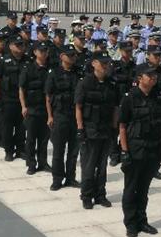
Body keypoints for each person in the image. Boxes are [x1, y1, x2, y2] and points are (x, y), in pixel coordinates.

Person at [118, 64, 161, 237]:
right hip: (135, 149)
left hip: (153, 149)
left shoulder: (159, 97)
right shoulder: (129, 98)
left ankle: (142, 220)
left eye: (154, 75)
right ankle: (131, 223)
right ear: (140, 78)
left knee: (143, 189)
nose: (153, 78)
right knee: (131, 188)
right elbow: (122, 126)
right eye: (149, 75)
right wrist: (124, 151)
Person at [75, 54, 120, 210]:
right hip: (90, 129)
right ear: (94, 64)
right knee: (89, 166)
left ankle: (100, 194)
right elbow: (78, 107)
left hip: (106, 129)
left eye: (108, 63)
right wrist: (80, 128)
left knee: (102, 166)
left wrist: (114, 127)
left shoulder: (111, 83)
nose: (106, 66)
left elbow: (115, 108)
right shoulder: (85, 83)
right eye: (103, 63)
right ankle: (86, 195)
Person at [46, 45, 82, 190]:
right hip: (60, 115)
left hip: (75, 116)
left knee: (73, 151)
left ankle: (70, 178)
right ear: (62, 57)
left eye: (74, 55)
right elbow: (48, 96)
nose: (73, 57)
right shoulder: (54, 73)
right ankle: (57, 179)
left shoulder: (79, 72)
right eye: (70, 55)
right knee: (58, 150)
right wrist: (50, 116)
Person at [19, 42, 52, 175]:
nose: (44, 53)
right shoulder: (28, 68)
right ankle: (31, 164)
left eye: (46, 51)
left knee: (44, 139)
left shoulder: (51, 69)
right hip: (32, 108)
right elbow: (21, 88)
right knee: (31, 138)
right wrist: (23, 106)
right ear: (35, 52)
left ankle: (43, 162)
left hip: (45, 109)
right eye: (41, 50)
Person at [0, 36, 27, 162]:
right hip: (8, 99)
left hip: (23, 101)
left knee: (21, 127)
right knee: (7, 127)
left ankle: (20, 149)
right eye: (17, 45)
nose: (20, 47)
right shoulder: (4, 61)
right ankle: (8, 150)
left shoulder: (28, 60)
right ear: (11, 46)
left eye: (22, 45)